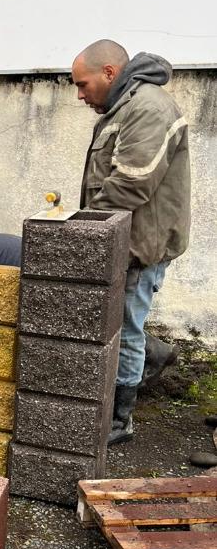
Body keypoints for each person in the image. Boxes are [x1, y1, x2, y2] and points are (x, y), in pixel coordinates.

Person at [71, 39, 190, 444]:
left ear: (108, 73)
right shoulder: (125, 107)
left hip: (140, 246)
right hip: (124, 241)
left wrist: (83, 226)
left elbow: (130, 184)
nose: (80, 95)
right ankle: (157, 357)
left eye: (83, 84)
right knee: (121, 324)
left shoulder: (148, 108)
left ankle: (120, 421)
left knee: (125, 330)